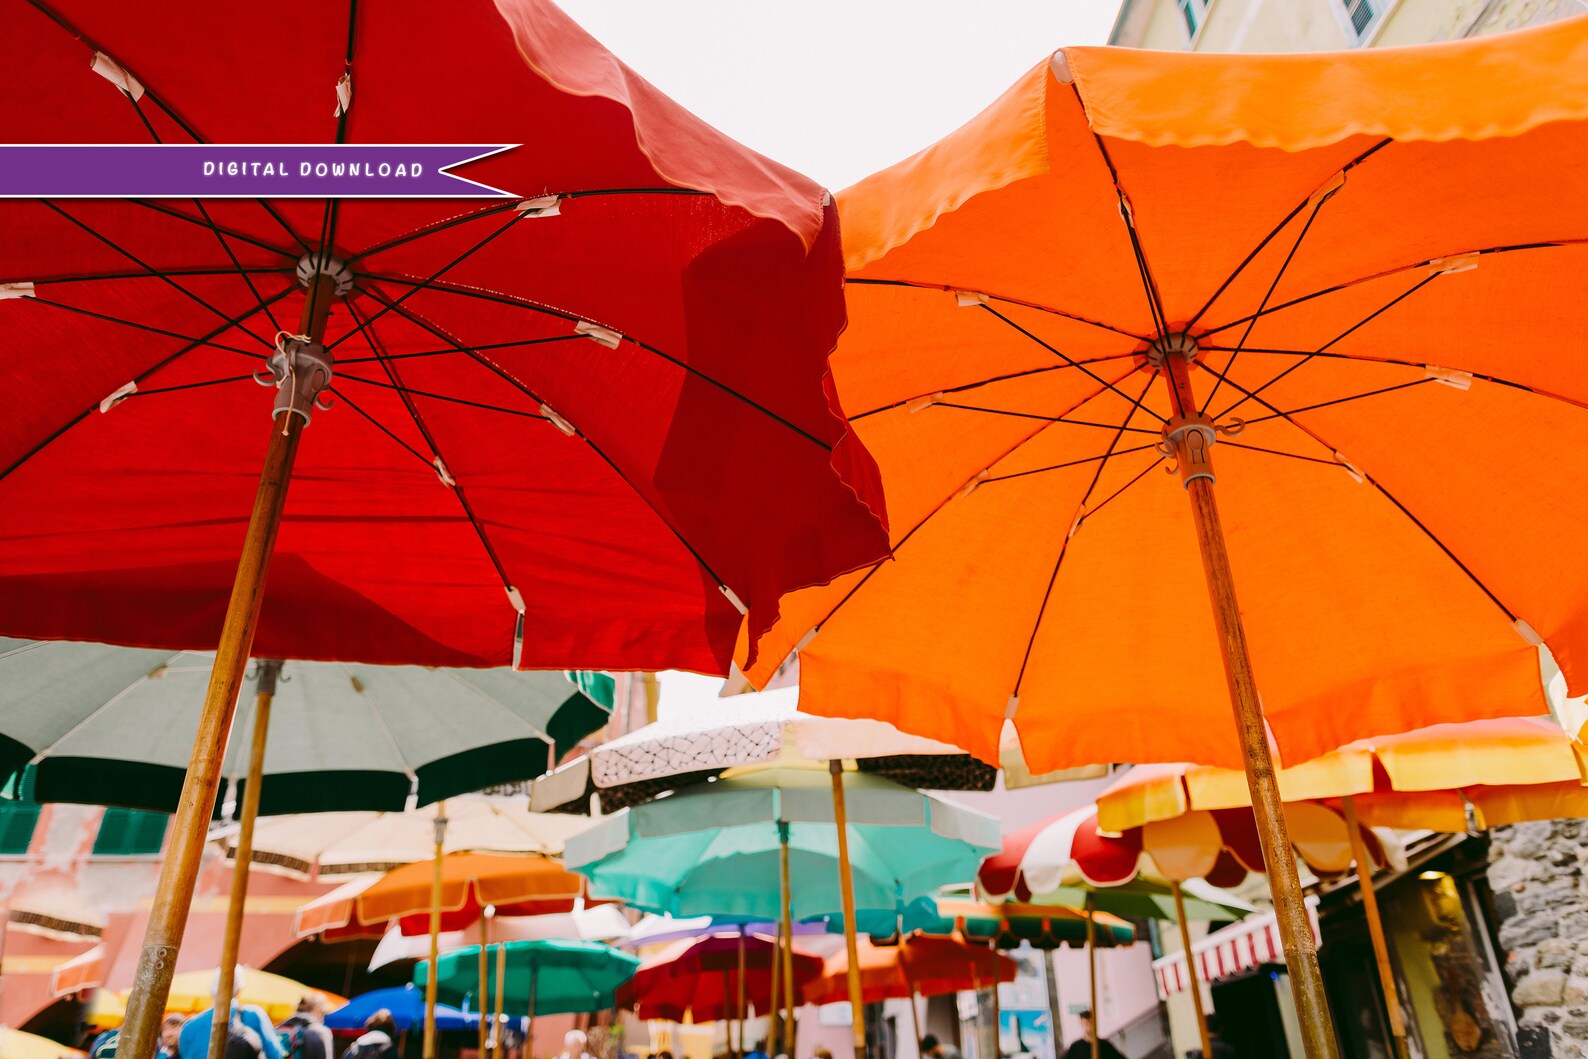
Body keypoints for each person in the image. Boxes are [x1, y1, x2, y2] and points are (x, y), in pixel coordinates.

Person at [178, 970, 286, 1059]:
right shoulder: (253, 1015)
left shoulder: (188, 1027)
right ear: (239, 990)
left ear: (211, 989)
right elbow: (276, 1054)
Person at [1059, 1010, 1123, 1059]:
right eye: (1086, 1023)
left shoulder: (1104, 1045)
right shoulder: (1076, 1047)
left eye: (1090, 1022)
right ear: (1081, 1024)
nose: (1089, 1025)